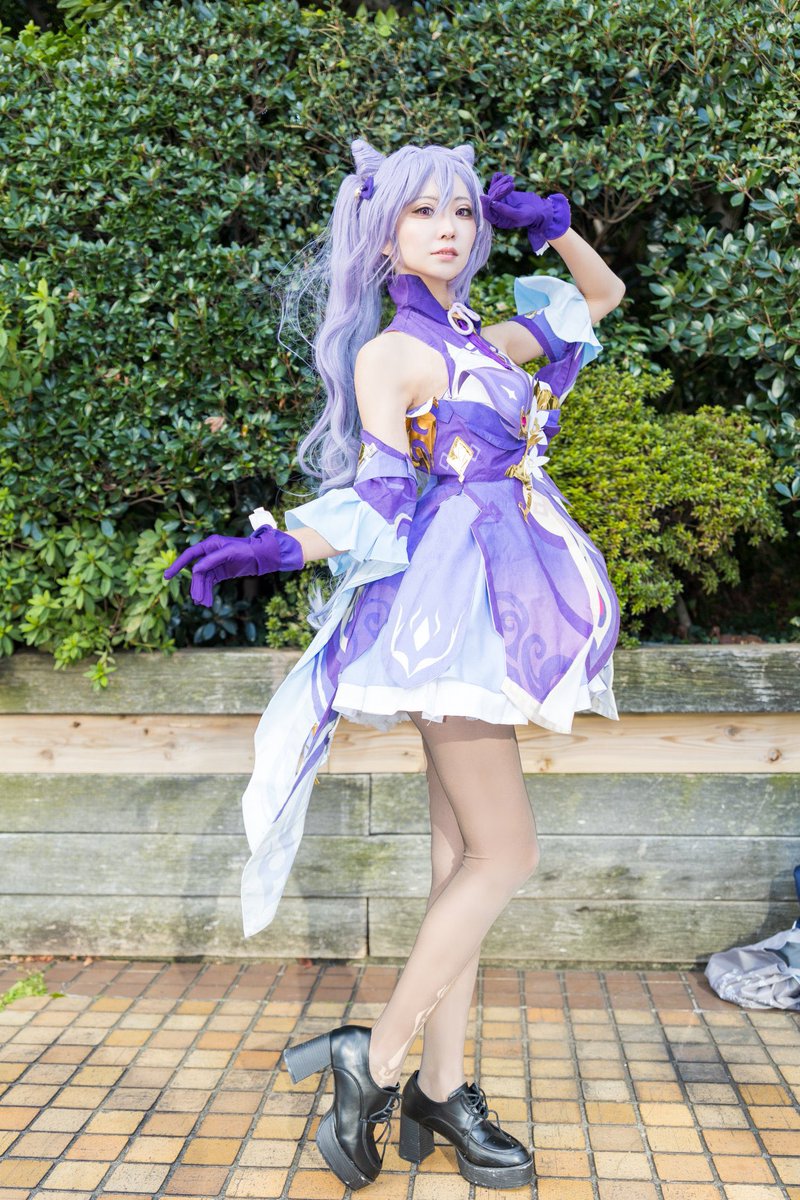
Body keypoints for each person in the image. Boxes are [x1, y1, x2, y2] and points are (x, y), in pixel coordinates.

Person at [163, 138, 625, 1192]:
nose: (449, 228)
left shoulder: (487, 341)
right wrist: (274, 549)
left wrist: (553, 229)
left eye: (461, 210)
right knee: (506, 855)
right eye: (423, 212)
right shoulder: (394, 356)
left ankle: (442, 1088)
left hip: (497, 605)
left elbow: (599, 298)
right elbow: (377, 502)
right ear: (383, 236)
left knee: (459, 860)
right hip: (448, 618)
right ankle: (370, 1063)